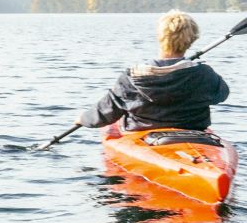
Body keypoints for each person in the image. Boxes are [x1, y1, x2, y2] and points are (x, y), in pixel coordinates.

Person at [78, 10, 230, 132]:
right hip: (193, 132)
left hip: (143, 132)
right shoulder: (204, 74)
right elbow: (222, 95)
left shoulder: (132, 77)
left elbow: (105, 113)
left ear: (159, 37)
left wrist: (83, 119)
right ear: (192, 40)